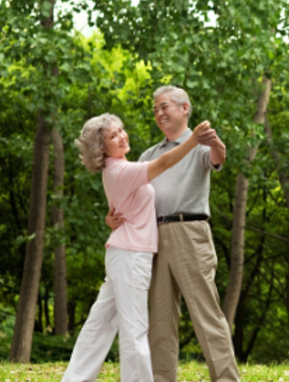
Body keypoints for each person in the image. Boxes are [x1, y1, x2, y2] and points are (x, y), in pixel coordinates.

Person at [62, 113, 210, 382]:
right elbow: (164, 162)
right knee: (134, 330)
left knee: (100, 325)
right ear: (101, 148)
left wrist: (110, 217)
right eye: (113, 136)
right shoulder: (120, 171)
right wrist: (193, 140)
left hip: (124, 253)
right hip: (131, 256)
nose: (122, 136)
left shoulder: (118, 169)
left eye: (122, 130)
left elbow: (123, 206)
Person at [106, 85, 240, 382]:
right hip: (152, 237)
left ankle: (228, 379)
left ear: (184, 108)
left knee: (206, 313)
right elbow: (130, 196)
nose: (159, 113)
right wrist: (113, 217)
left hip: (190, 232)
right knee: (160, 320)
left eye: (164, 106)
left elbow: (218, 157)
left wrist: (217, 143)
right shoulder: (149, 154)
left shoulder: (201, 145)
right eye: (155, 109)